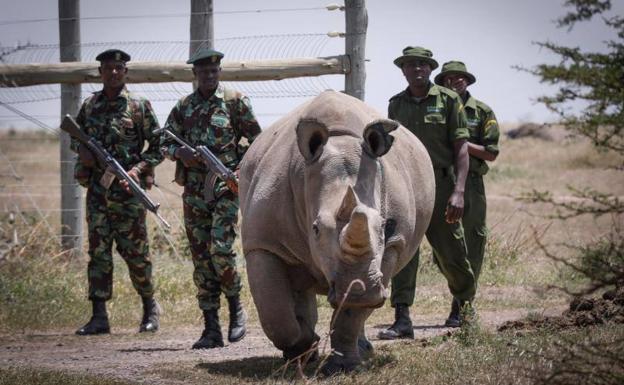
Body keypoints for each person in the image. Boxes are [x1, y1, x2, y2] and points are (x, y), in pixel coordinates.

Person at [161, 48, 262, 349]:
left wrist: (239, 169)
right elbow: (163, 141)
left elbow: (257, 140)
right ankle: (211, 328)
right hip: (194, 194)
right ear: (195, 75)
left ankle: (235, 309)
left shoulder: (234, 102)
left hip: (226, 189)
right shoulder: (184, 107)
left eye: (213, 71)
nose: (209, 76)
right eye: (203, 72)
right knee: (201, 258)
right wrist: (181, 153)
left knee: (220, 249)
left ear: (219, 72)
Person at [378, 46, 476, 339]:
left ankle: (464, 308)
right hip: (407, 187)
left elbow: (461, 148)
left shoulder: (448, 101)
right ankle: (402, 318)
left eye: (422, 65)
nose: (417, 69)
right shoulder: (396, 104)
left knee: (452, 251)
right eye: (411, 65)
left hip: (441, 184)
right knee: (402, 251)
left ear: (431, 69)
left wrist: (458, 191)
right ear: (403, 70)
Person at [72, 49, 163, 335]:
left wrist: (137, 170)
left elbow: (158, 147)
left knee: (136, 253)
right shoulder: (89, 106)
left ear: (126, 72)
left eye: (119, 68)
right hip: (99, 193)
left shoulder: (139, 106)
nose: (113, 72)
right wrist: (83, 151)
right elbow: (75, 138)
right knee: (98, 253)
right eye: (108, 68)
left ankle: (150, 310)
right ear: (100, 72)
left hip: (127, 193)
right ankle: (99, 317)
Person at [434, 61, 500, 326]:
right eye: (449, 78)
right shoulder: (437, 109)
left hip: (471, 184)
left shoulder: (482, 111)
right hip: (441, 181)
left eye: (460, 78)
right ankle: (458, 289)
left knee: (473, 243)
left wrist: (460, 142)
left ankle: (462, 306)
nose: (455, 82)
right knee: (443, 247)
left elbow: (491, 152)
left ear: (468, 81)